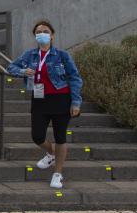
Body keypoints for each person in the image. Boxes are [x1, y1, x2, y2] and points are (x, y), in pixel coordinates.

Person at [6, 20, 83, 190]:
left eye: (45, 31)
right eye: (38, 31)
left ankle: (57, 174)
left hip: (62, 99)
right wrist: (22, 71)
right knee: (37, 136)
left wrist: (76, 102)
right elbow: (10, 67)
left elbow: (75, 78)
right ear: (35, 36)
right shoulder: (30, 54)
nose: (42, 34)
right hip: (39, 99)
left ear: (52, 35)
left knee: (60, 136)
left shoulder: (62, 55)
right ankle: (52, 153)